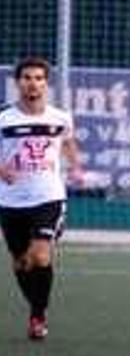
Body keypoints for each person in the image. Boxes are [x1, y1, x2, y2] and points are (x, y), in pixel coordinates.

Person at [0, 56, 84, 340]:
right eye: (27, 78)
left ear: (46, 83)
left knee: (40, 255)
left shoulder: (60, 117)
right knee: (22, 262)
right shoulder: (4, 118)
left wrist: (75, 168)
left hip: (48, 196)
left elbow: (69, 143)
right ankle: (36, 308)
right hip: (11, 200)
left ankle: (38, 315)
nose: (32, 83)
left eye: (38, 78)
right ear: (17, 83)